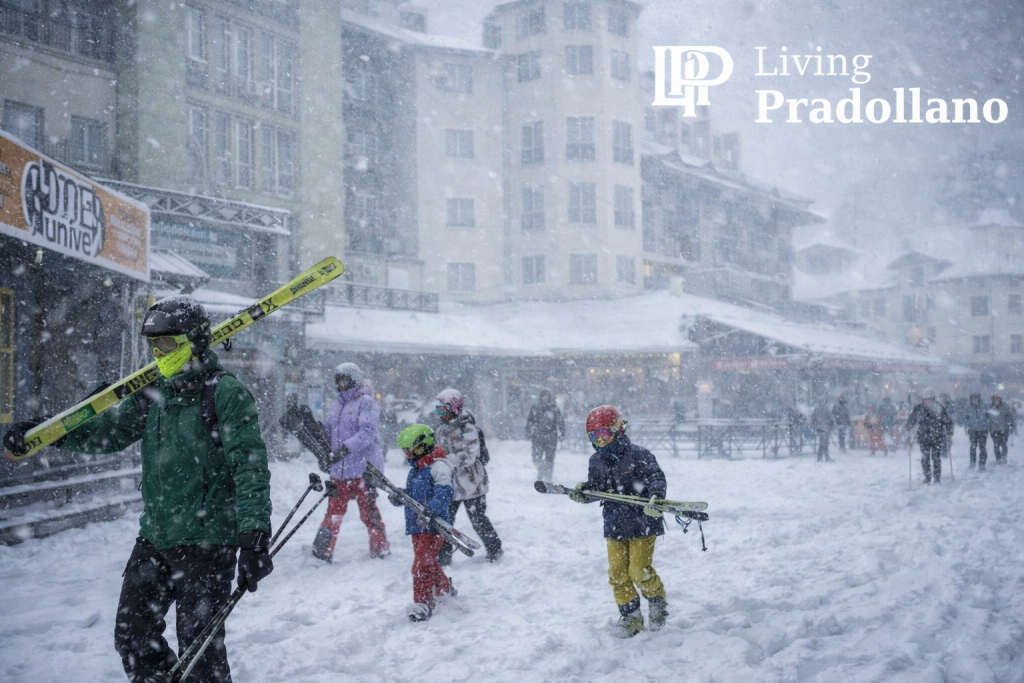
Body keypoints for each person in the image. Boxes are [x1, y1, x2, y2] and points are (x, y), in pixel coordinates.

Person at [4, 296, 273, 683]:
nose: (159, 352)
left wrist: (254, 536)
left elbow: (249, 468)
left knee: (200, 653)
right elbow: (110, 433)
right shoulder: (152, 393)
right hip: (157, 535)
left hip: (207, 540)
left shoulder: (225, 393)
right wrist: (53, 432)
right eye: (154, 345)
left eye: (167, 343)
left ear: (194, 342)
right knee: (132, 636)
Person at [570, 405, 669, 637]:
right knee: (617, 573)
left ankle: (657, 601)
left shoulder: (639, 455)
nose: (600, 441)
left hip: (642, 522)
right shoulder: (596, 461)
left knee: (638, 570)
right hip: (614, 524)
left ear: (618, 429)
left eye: (604, 434)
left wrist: (656, 497)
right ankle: (630, 615)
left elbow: (656, 477)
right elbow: (598, 489)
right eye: (593, 436)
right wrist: (585, 492)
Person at [312, 362, 390, 562]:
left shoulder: (367, 403)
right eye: (337, 379)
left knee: (368, 511)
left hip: (363, 468)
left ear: (354, 380)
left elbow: (368, 433)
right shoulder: (337, 405)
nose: (340, 383)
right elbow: (329, 430)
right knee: (333, 512)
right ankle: (322, 552)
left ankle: (380, 547)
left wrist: (345, 449)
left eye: (344, 379)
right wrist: (318, 436)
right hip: (340, 470)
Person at [388, 424, 456, 622]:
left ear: (421, 446)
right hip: (417, 525)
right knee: (428, 562)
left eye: (408, 450)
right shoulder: (417, 468)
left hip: (433, 527)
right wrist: (400, 496)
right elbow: (415, 494)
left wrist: (430, 510)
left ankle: (423, 603)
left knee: (421, 566)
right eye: (404, 451)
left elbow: (445, 492)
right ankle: (444, 588)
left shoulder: (439, 466)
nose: (406, 455)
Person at [434, 388, 504, 564]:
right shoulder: (441, 431)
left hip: (472, 483)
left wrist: (445, 459)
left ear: (454, 408)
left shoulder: (468, 429)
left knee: (478, 519)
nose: (440, 414)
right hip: (450, 484)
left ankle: (495, 549)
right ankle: (444, 556)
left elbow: (470, 455)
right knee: (445, 521)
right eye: (438, 410)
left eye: (444, 410)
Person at [906, 389, 952, 484]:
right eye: (927, 399)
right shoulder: (919, 408)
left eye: (930, 399)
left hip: (936, 436)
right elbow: (912, 417)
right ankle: (927, 477)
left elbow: (947, 420)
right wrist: (909, 424)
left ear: (933, 399)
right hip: (923, 437)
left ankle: (937, 477)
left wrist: (949, 430)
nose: (928, 401)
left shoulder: (939, 408)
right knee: (925, 458)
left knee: (936, 458)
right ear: (924, 399)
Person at [525, 388, 565, 482]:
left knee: (550, 459)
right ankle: (541, 471)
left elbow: (560, 421)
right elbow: (530, 420)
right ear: (541, 397)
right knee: (536, 457)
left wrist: (562, 432)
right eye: (544, 396)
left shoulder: (554, 408)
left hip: (551, 436)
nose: (545, 398)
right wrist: (528, 431)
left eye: (547, 396)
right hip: (538, 436)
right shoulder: (535, 407)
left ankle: (548, 476)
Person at [962, 393, 989, 470]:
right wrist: (968, 425)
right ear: (971, 399)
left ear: (979, 398)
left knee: (982, 447)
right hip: (972, 430)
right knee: (973, 447)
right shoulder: (967, 407)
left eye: (976, 398)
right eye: (973, 398)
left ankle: (982, 464)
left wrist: (987, 424)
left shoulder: (984, 406)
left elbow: (989, 416)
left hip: (983, 430)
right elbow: (965, 418)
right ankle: (972, 462)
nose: (975, 400)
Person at [988, 394, 1017, 465]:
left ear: (1000, 400)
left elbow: (1010, 417)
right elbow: (988, 419)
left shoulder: (1005, 407)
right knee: (996, 445)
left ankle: (1004, 457)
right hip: (994, 430)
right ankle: (998, 458)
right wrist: (989, 427)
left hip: (1004, 429)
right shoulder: (990, 407)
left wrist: (1011, 425)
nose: (996, 401)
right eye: (994, 400)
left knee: (1003, 444)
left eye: (997, 399)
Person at [378, 394, 399, 461]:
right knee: (383, 442)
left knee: (385, 443)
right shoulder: (383, 409)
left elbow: (394, 419)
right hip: (384, 428)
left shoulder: (393, 409)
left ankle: (383, 455)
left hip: (387, 428)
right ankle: (382, 455)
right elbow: (380, 418)